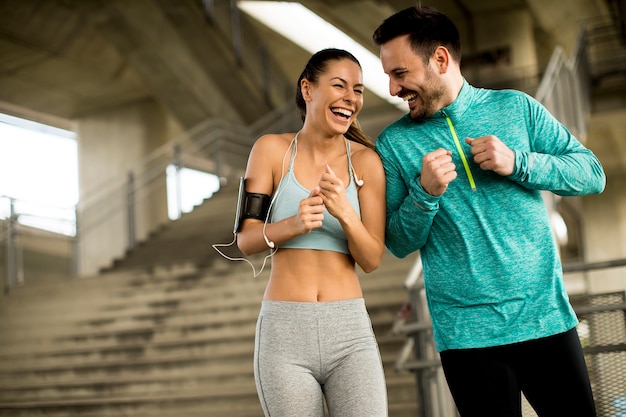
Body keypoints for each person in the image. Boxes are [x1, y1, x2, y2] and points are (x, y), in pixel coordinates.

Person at [372, 5, 605, 417]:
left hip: (544, 317)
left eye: (400, 73)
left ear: (440, 59)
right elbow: (398, 242)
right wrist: (425, 194)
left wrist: (520, 162)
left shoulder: (517, 108)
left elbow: (591, 173)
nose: (392, 89)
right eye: (388, 75)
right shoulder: (393, 144)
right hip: (466, 338)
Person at [235, 48, 388, 417]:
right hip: (284, 333)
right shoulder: (270, 150)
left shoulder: (366, 161)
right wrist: (293, 224)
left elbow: (371, 259)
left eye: (358, 90)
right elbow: (244, 241)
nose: (351, 98)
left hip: (349, 332)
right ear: (308, 88)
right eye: (339, 86)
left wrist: (345, 213)